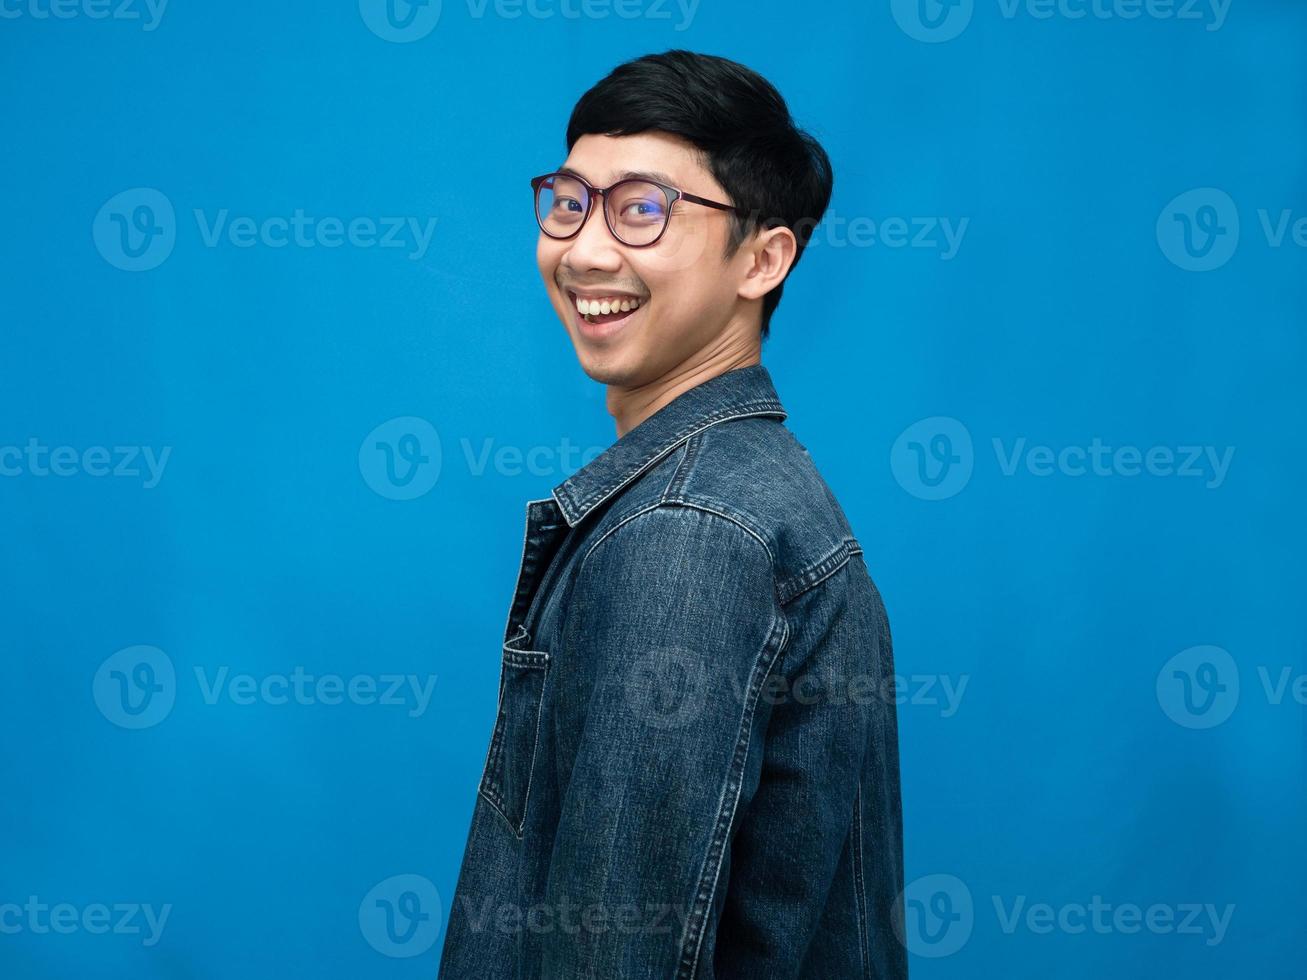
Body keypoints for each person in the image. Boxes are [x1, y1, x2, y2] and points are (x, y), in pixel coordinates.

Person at [438, 49, 906, 979]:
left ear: (764, 258)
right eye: (569, 200)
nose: (585, 250)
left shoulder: (689, 531)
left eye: (642, 209)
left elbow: (616, 950)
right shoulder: (734, 496)